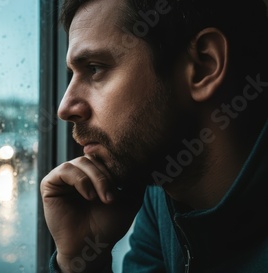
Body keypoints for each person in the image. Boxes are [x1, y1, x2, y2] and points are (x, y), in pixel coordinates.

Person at [40, 0, 268, 272]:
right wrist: (83, 262)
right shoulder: (162, 197)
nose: (65, 109)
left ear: (204, 66)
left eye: (94, 68)